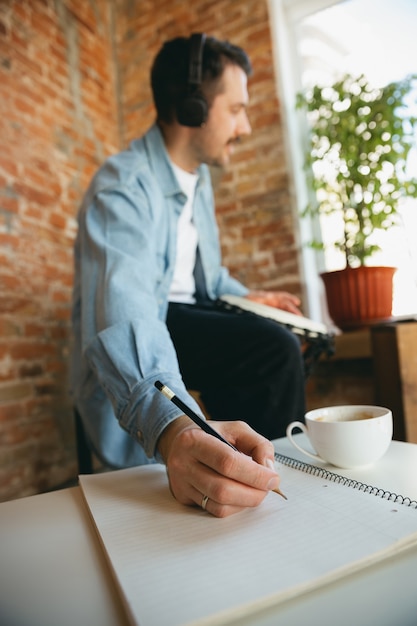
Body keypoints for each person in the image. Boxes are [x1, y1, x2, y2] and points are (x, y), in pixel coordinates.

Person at [71, 33, 306, 517]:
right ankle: (227, 469)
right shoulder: (122, 186)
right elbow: (127, 307)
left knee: (273, 333)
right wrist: (175, 425)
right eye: (236, 109)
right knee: (272, 350)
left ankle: (243, 470)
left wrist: (252, 297)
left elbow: (209, 280)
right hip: (150, 322)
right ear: (193, 107)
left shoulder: (198, 185)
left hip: (185, 316)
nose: (244, 126)